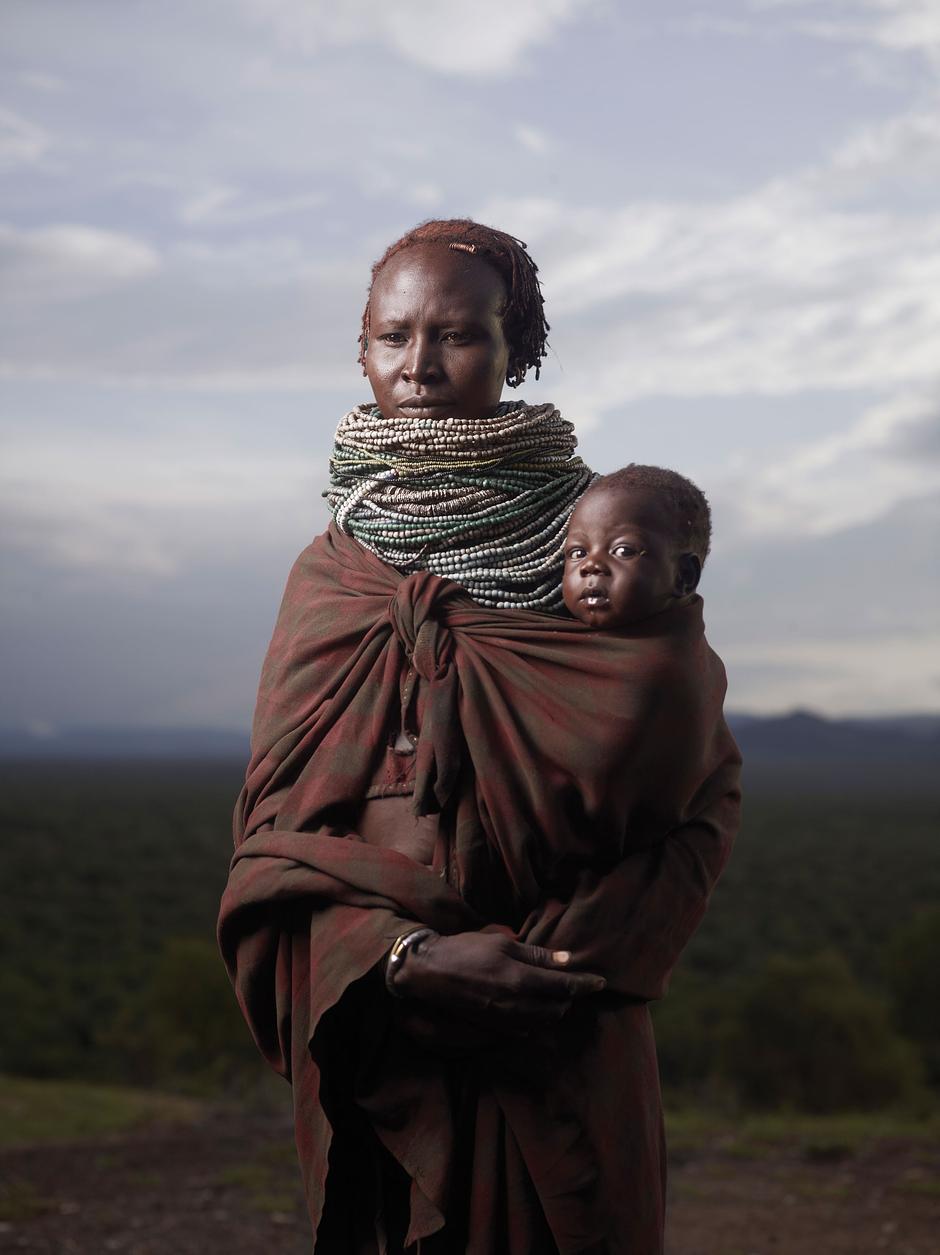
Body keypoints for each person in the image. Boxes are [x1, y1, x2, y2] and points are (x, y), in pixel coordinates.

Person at [218, 219, 741, 1254]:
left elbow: (698, 793)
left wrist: (557, 967)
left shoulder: (595, 545)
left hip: (554, 1018)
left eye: (456, 335)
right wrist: (401, 958)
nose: (417, 365)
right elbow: (275, 839)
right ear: (361, 349)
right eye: (391, 336)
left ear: (518, 349)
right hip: (383, 1023)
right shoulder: (332, 579)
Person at [561, 464, 709, 629]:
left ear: (684, 575)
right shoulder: (544, 641)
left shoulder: (677, 654)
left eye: (623, 551)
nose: (590, 565)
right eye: (578, 553)